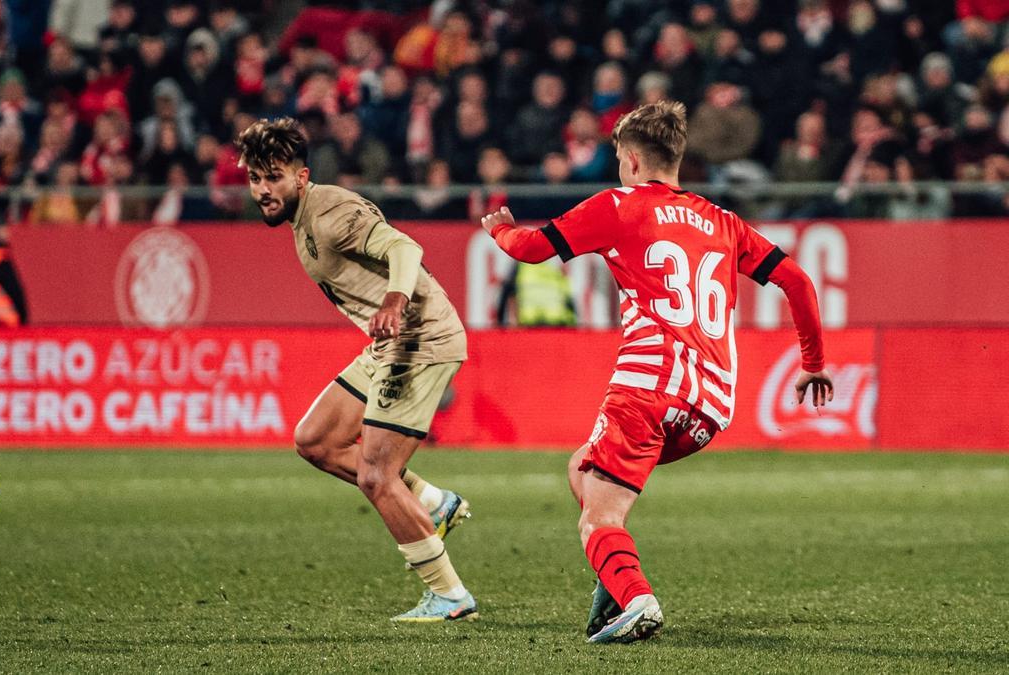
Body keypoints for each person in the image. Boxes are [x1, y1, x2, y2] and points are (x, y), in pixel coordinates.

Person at [480, 101, 833, 643]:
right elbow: (799, 282)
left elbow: (529, 249)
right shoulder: (724, 222)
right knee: (583, 468)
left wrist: (500, 230)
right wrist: (812, 363)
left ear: (631, 160)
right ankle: (615, 583)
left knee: (598, 518)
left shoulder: (619, 205)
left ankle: (639, 599)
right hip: (710, 406)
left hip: (646, 389)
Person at [236, 118, 477, 623]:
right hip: (389, 343)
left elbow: (404, 248)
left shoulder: (330, 212)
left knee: (375, 474)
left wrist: (394, 300)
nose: (262, 190)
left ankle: (449, 595)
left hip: (419, 336)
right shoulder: (302, 219)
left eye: (273, 177)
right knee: (316, 439)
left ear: (301, 177)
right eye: (255, 178)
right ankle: (433, 503)